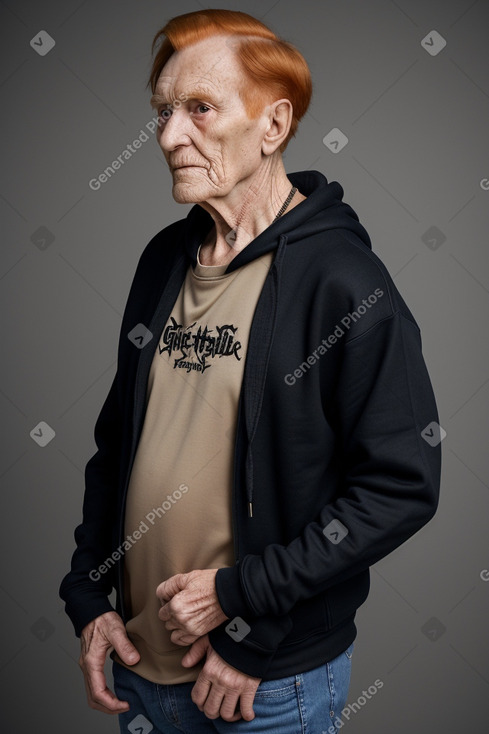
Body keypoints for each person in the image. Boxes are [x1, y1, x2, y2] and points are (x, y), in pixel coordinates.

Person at [59, 9, 441, 733]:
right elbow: (119, 447)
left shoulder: (342, 281)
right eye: (163, 113)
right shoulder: (164, 260)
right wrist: (89, 598)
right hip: (139, 668)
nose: (170, 137)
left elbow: (399, 487)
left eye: (199, 109)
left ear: (272, 127)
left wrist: (247, 615)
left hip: (260, 687)